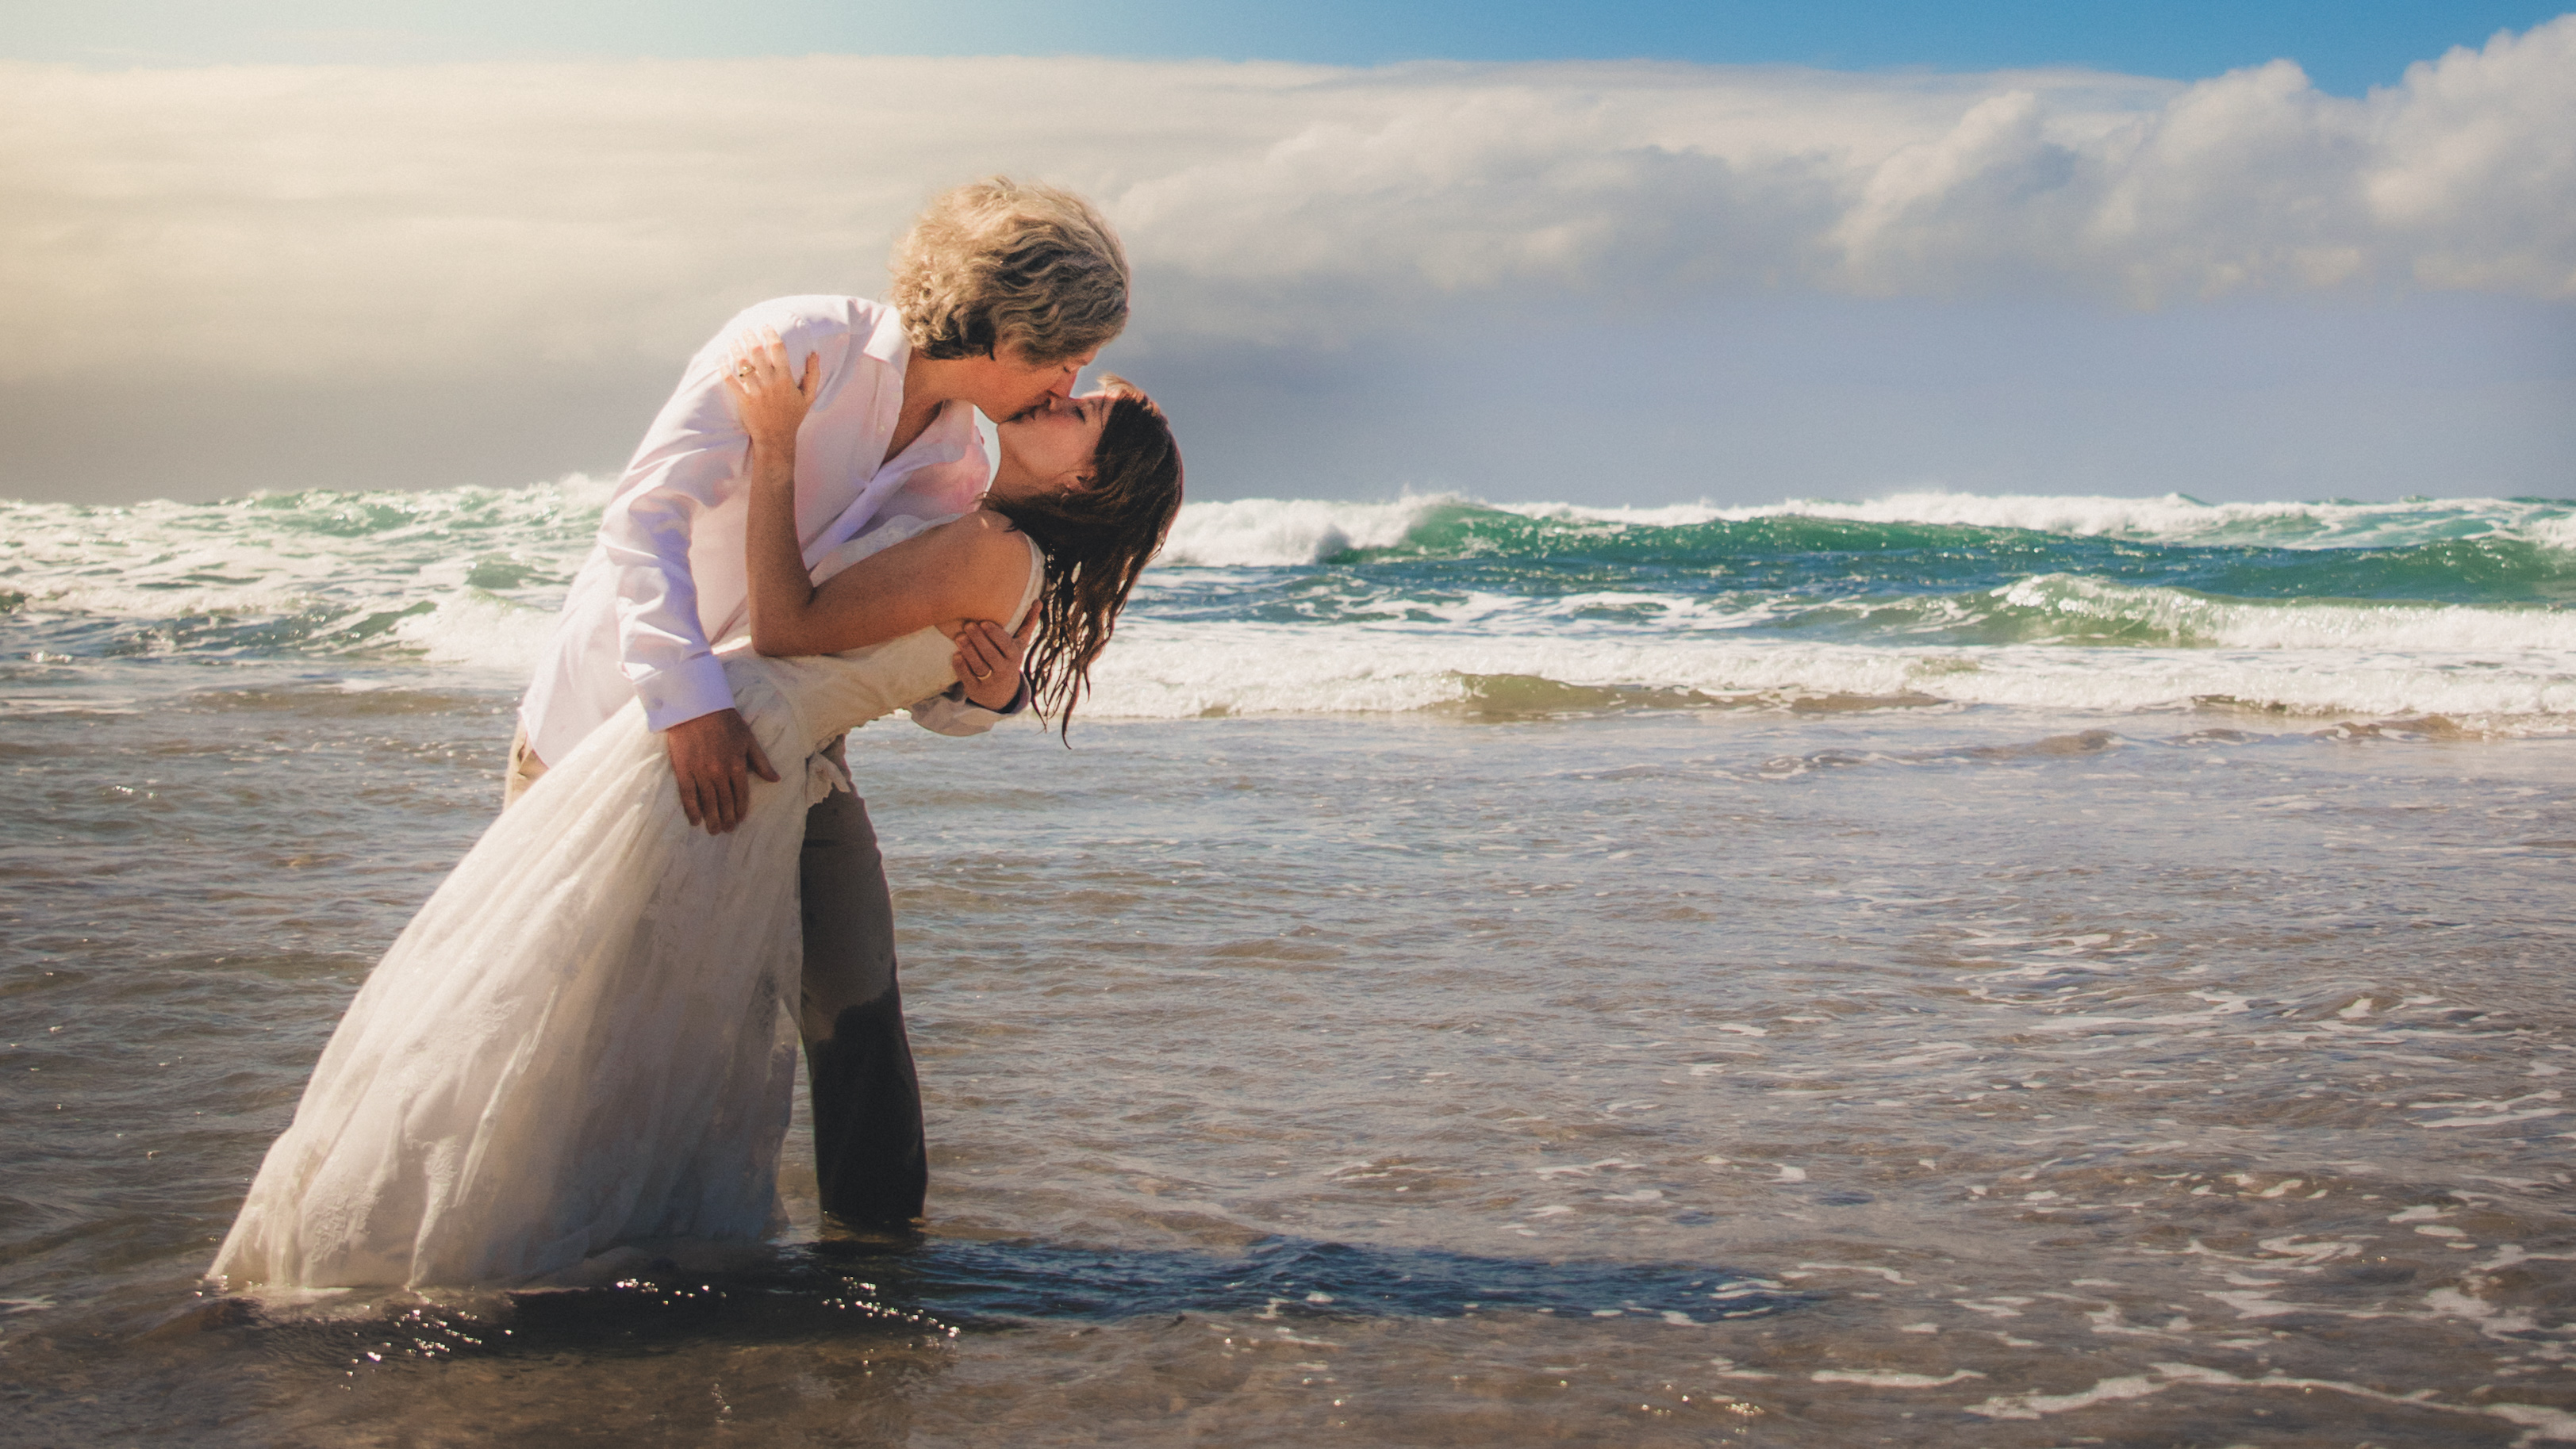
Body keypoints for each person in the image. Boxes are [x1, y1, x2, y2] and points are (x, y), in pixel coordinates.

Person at [209, 343, 1182, 1291]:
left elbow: (796, 626)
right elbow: (879, 652)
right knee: (619, 997)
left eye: (1084, 413)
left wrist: (779, 450)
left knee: (583, 989)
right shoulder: (969, 503)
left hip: (752, 738)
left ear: (1091, 484)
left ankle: (541, 1232)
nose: (1062, 396)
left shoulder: (994, 547)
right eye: (1071, 388)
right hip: (742, 736)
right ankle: (606, 1228)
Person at [508, 178, 1129, 1229]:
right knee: (577, 1017)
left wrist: (990, 695)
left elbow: (879, 646)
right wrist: (687, 702)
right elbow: (643, 522)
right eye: (1064, 352)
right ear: (1005, 324)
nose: (1073, 376)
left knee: (852, 988)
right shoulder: (793, 343)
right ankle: (557, 1249)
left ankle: (877, 1258)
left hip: (789, 750)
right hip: (615, 722)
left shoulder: (956, 458)